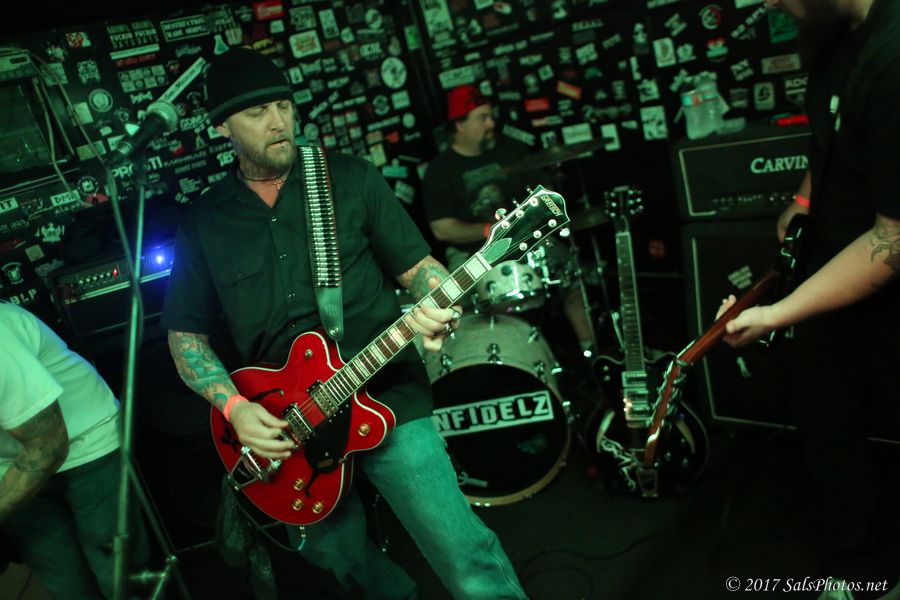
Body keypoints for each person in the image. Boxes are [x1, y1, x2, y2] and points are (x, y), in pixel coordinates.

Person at [161, 48, 526, 599]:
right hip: (286, 423)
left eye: (284, 106)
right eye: (257, 112)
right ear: (221, 128)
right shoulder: (204, 221)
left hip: (384, 393)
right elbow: (185, 338)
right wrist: (234, 408)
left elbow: (421, 271)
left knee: (461, 548)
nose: (278, 122)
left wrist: (439, 310)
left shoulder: (349, 179)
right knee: (337, 556)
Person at [718, 0, 900, 587]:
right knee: (826, 419)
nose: (770, 2)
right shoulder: (833, 36)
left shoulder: (893, 56)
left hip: (883, 280)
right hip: (832, 270)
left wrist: (775, 314)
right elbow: (834, 140)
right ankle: (864, 571)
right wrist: (802, 201)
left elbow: (893, 240)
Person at [422, 84, 596, 355]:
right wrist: (491, 230)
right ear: (459, 124)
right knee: (456, 307)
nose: (491, 124)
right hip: (472, 254)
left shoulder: (511, 150)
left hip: (528, 241)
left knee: (573, 279)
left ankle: (594, 357)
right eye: (482, 118)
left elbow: (546, 198)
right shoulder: (440, 170)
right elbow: (442, 229)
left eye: (491, 116)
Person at [0, 301, 149, 599]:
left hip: (86, 443)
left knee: (118, 581)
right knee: (67, 587)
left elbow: (47, 444)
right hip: (8, 463)